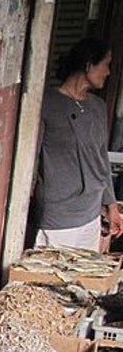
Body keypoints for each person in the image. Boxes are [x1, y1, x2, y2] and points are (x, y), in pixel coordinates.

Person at [35, 37, 123, 251]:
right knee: (50, 278)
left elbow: (101, 157)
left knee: (81, 280)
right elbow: (32, 160)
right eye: (105, 65)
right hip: (59, 214)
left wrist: (111, 206)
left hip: (91, 213)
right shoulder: (47, 104)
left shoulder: (97, 107)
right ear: (88, 65)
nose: (108, 72)